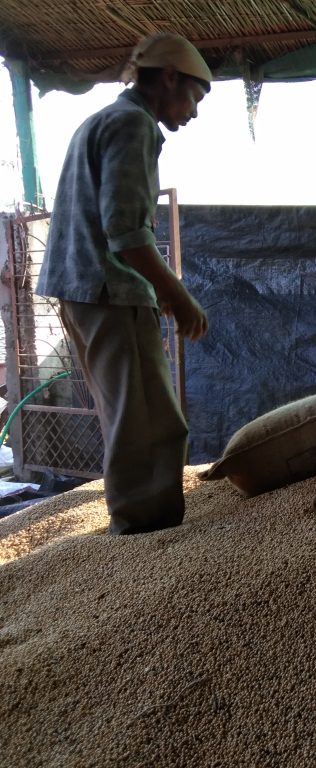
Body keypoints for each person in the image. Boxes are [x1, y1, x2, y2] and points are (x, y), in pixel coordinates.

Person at [35, 32, 212, 534]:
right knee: (149, 426)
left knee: (129, 418)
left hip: (82, 290)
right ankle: (143, 540)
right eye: (194, 96)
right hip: (111, 292)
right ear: (170, 78)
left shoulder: (101, 120)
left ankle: (138, 533)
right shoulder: (132, 124)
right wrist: (176, 293)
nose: (194, 112)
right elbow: (126, 234)